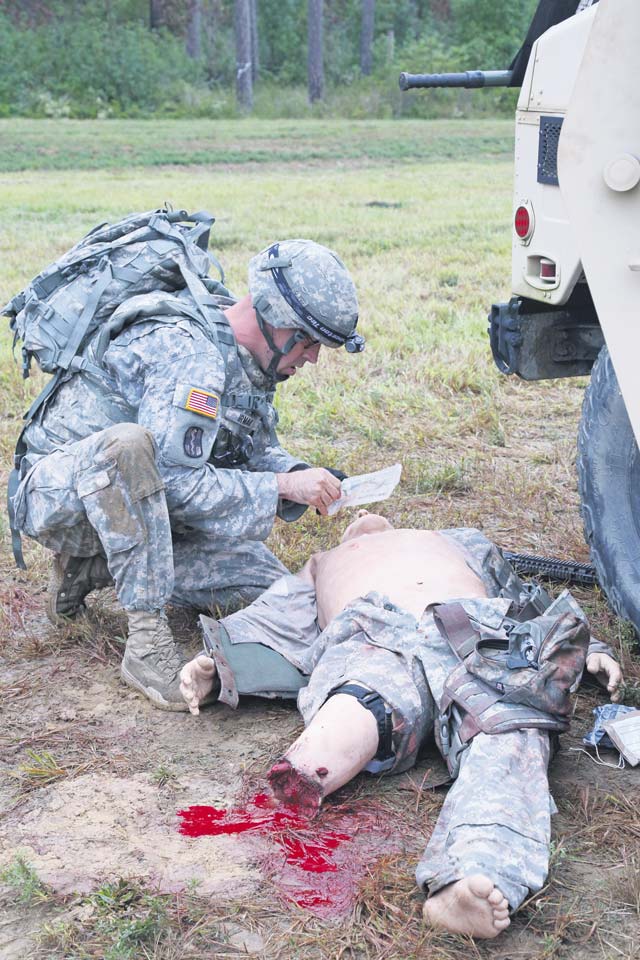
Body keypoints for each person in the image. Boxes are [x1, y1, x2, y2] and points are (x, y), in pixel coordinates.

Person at [180, 511, 622, 940]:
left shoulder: (459, 538)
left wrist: (592, 650)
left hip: (479, 635)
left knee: (509, 732)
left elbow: (526, 598)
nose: (366, 516)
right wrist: (220, 667)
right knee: (361, 702)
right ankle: (302, 775)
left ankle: (474, 875)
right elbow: (276, 616)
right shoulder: (324, 560)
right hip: (377, 636)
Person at [9, 239, 364, 711]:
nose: (313, 357)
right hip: (62, 494)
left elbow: (249, 445)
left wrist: (296, 473)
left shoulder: (241, 355)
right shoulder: (188, 352)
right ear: (276, 321)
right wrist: (279, 488)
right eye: (308, 340)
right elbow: (173, 480)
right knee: (129, 447)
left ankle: (92, 567)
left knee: (276, 590)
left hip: (142, 504)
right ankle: (146, 641)